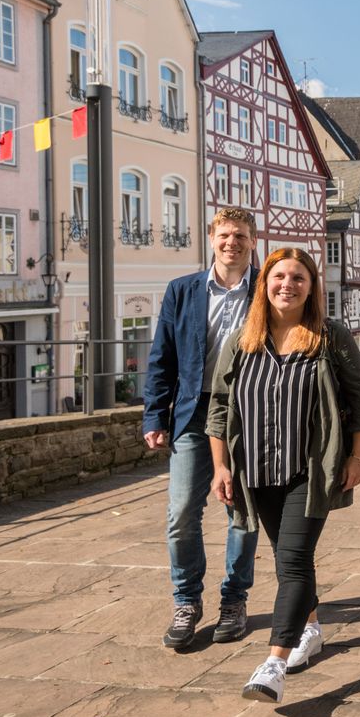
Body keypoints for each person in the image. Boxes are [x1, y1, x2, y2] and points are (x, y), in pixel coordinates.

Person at [207, 248, 360, 705]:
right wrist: (221, 466)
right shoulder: (243, 339)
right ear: (264, 284)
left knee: (295, 560)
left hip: (310, 469)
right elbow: (219, 406)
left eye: (298, 277)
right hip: (256, 471)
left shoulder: (329, 336)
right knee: (287, 557)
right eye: (279, 276)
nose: (287, 284)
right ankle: (312, 629)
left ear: (311, 285)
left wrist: (357, 457)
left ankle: (274, 663)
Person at [142, 206, 262, 649]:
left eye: (242, 236)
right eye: (225, 235)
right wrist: (154, 414)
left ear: (253, 240)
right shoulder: (183, 290)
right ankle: (187, 600)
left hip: (249, 416)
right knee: (180, 515)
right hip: (194, 412)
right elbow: (161, 357)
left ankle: (234, 599)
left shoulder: (268, 289)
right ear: (212, 239)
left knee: (242, 514)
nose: (233, 242)